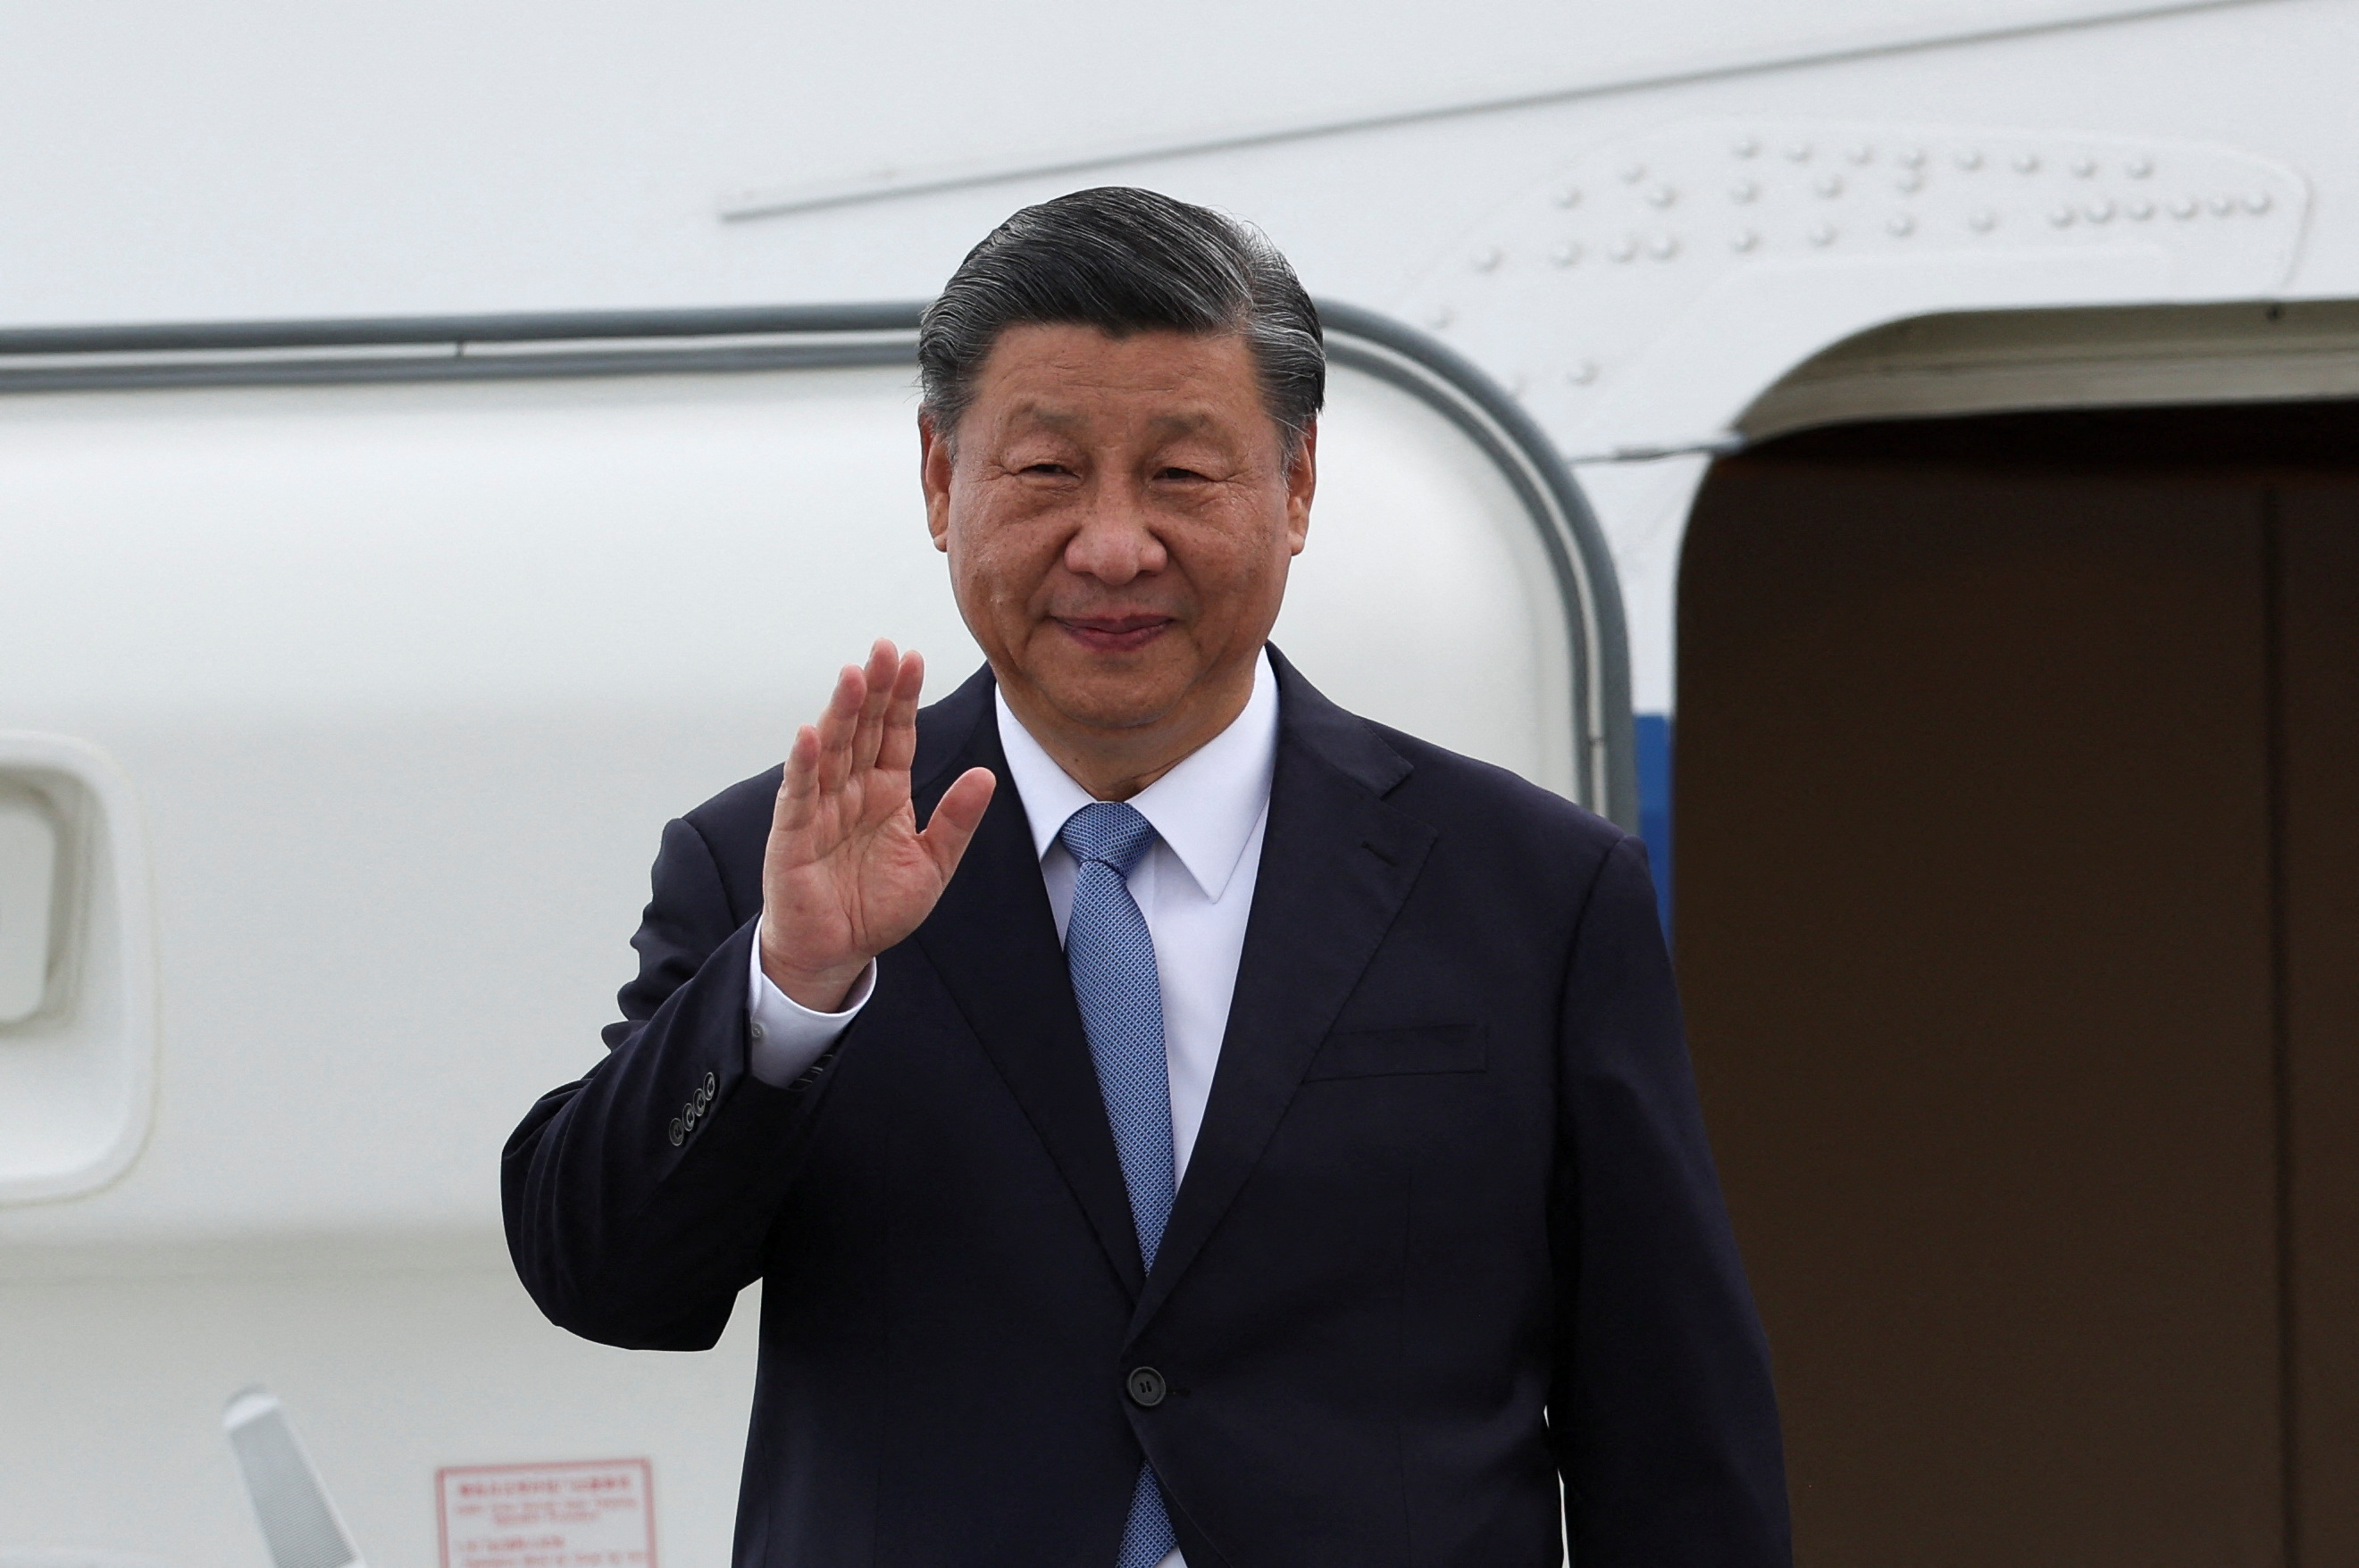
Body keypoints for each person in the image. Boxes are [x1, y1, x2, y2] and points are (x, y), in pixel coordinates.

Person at [503, 186, 1789, 1568]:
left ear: (1295, 489)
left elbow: (1670, 1429)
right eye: (1045, 473)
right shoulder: (779, 868)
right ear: (940, 482)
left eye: (1181, 475)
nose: (1113, 547)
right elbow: (607, 1280)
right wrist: (791, 991)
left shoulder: (1533, 890)